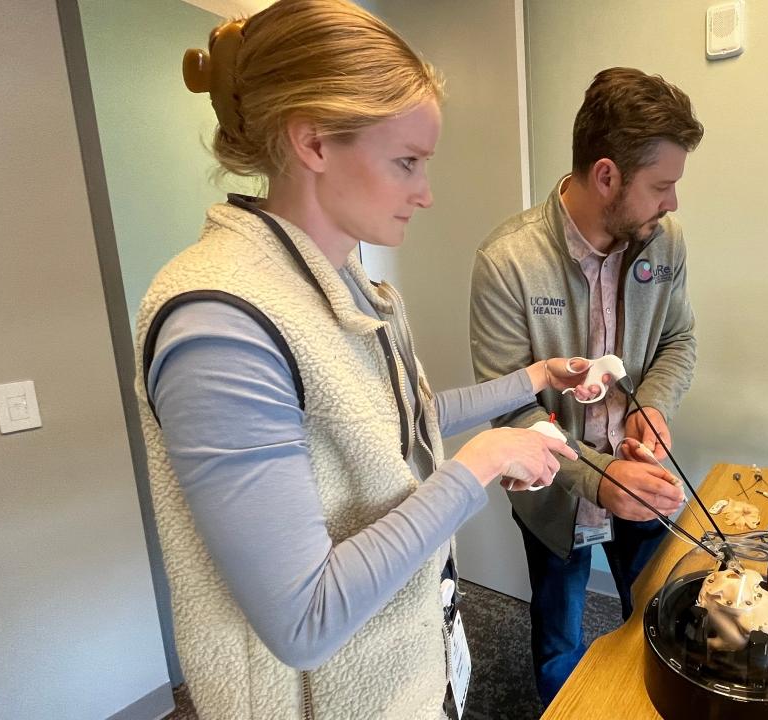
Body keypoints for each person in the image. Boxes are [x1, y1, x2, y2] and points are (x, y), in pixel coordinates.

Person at [134, 2, 604, 717]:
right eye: (406, 162)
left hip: (406, 663)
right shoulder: (219, 324)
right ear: (314, 141)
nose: (426, 192)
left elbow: (392, 420)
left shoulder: (345, 282)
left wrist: (536, 378)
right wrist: (479, 464)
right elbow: (304, 619)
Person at [469, 67, 705, 704]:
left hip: (645, 474)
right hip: (555, 494)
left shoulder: (664, 241)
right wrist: (597, 477)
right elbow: (510, 411)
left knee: (662, 630)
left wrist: (653, 405)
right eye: (662, 186)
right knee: (559, 647)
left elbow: (678, 340)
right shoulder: (508, 262)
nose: (673, 203)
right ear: (607, 176)